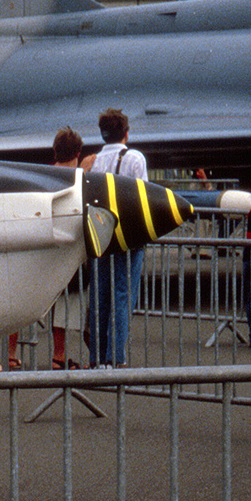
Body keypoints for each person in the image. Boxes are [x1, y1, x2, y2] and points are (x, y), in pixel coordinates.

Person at [85, 109, 147, 367]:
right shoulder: (134, 158)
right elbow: (142, 196)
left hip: (102, 235)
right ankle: (116, 358)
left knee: (100, 296)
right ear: (126, 132)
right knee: (123, 295)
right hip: (128, 236)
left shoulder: (94, 161)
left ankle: (96, 359)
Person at [48, 126, 85, 368]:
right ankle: (62, 356)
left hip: (49, 247)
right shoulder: (81, 178)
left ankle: (57, 356)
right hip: (73, 248)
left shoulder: (43, 175)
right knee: (73, 302)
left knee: (50, 302)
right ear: (78, 153)